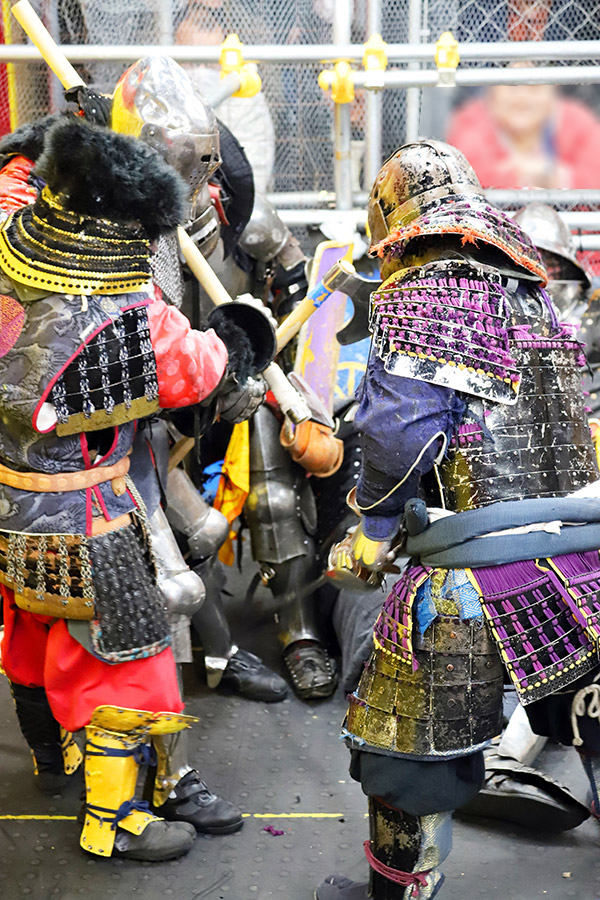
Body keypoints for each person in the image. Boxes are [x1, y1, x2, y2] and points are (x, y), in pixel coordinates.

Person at [316, 139, 600, 899]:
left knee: (405, 752)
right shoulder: (530, 293)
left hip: (472, 572)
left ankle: (403, 892)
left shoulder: (422, 293)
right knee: (590, 715)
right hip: (580, 558)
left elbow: (398, 435)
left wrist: (373, 532)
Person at [0, 115, 268, 860]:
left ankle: (52, 759)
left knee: (35, 634)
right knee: (131, 664)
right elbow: (202, 370)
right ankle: (113, 822)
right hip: (93, 516)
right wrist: (242, 340)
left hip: (12, 504)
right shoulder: (130, 317)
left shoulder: (6, 257)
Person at [447, 75, 600, 190]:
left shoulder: (577, 122)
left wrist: (556, 178)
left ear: (553, 92)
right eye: (512, 86)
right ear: (493, 91)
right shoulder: (470, 121)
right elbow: (458, 180)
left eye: (535, 88)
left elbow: (595, 180)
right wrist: (520, 175)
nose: (522, 98)